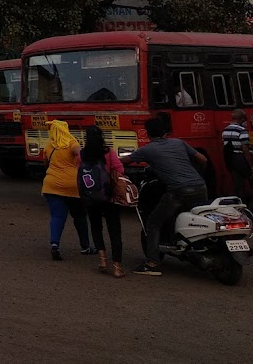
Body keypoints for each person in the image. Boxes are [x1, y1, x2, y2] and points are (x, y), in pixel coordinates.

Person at [124, 116, 207, 276]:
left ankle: (153, 263)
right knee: (194, 217)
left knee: (153, 223)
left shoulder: (147, 149)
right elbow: (202, 159)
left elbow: (124, 161)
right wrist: (199, 174)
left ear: (148, 133)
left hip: (178, 191)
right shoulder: (178, 142)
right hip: (200, 186)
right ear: (165, 132)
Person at [41, 120, 92, 261]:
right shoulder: (71, 143)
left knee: (57, 217)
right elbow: (80, 154)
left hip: (51, 186)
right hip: (73, 186)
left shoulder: (49, 146)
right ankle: (85, 246)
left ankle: (54, 244)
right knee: (80, 217)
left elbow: (45, 163)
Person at [80, 125, 126, 278]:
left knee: (96, 227)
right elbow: (120, 170)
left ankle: (103, 260)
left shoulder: (83, 154)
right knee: (114, 231)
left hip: (91, 196)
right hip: (109, 196)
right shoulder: (108, 152)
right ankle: (117, 267)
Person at [221, 109, 252, 199]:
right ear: (241, 119)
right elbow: (245, 149)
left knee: (238, 184)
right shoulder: (242, 130)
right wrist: (250, 165)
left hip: (231, 159)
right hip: (240, 158)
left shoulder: (225, 130)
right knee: (250, 177)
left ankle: (240, 202)